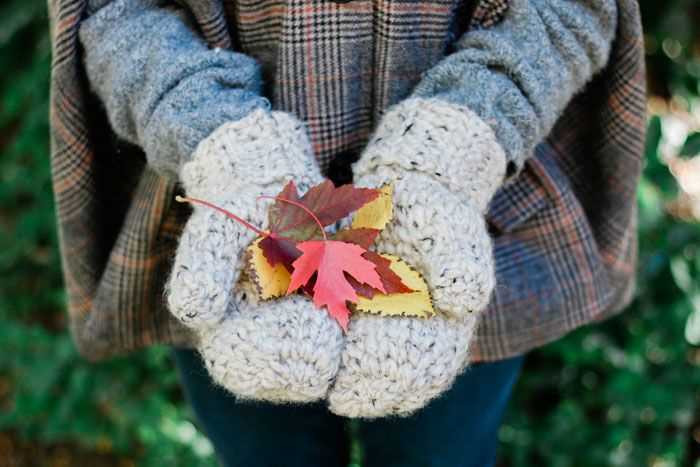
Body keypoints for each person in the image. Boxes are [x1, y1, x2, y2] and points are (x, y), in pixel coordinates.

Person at [47, 0, 646, 465]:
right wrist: (223, 146)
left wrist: (461, 141)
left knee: (441, 455)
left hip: (469, 224)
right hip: (225, 229)